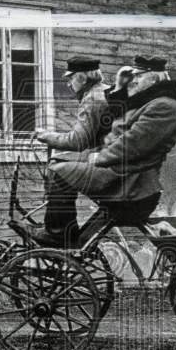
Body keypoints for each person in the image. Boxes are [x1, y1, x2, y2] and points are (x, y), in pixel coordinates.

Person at [34, 54, 176, 246]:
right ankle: (64, 235)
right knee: (63, 170)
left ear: (154, 76)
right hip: (127, 179)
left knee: (59, 171)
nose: (134, 80)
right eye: (133, 75)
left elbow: (131, 144)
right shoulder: (150, 101)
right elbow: (118, 121)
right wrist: (120, 88)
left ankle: (58, 234)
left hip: (131, 186)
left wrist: (98, 158)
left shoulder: (163, 106)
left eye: (139, 75)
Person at [32, 55, 111, 245]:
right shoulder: (102, 92)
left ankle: (59, 233)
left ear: (82, 78)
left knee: (60, 172)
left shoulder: (92, 99)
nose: (68, 84)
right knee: (60, 161)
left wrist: (45, 136)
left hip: (107, 163)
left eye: (70, 78)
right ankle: (64, 228)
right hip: (107, 155)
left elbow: (78, 141)